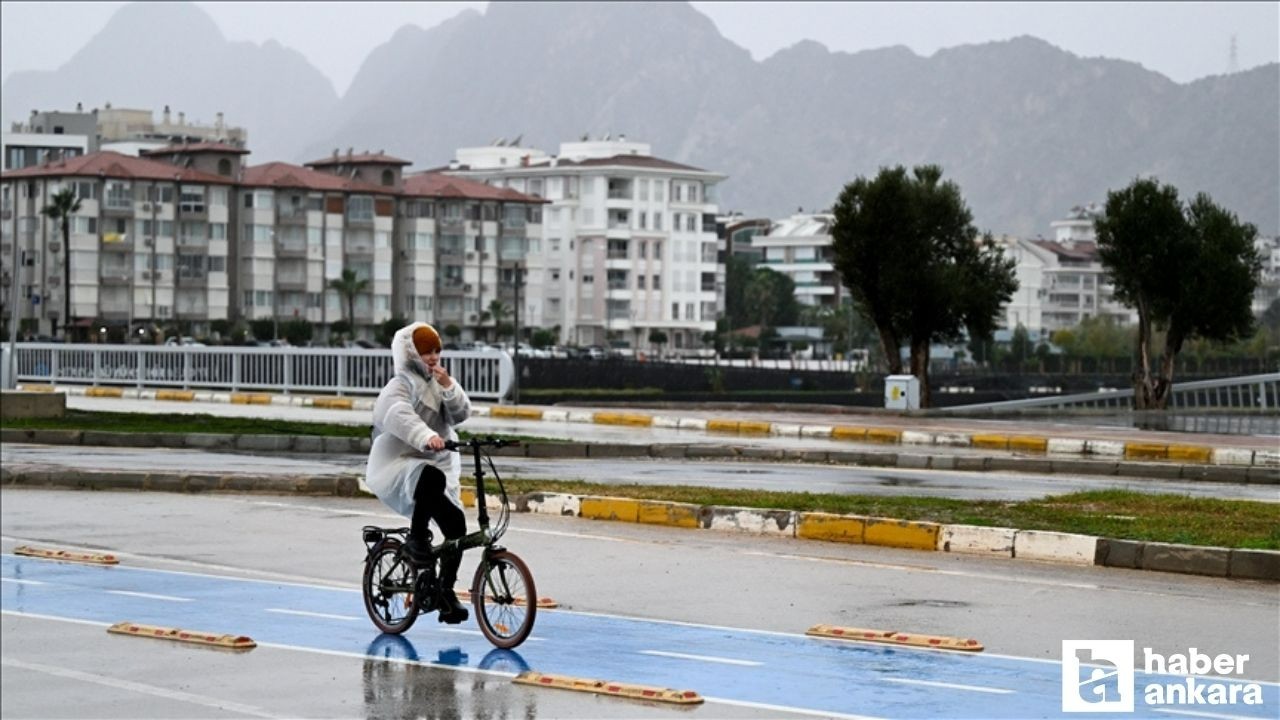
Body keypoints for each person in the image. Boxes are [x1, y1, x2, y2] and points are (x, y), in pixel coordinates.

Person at [365, 322, 472, 624]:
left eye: (437, 350)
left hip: (435, 461)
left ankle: (444, 592)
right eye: (426, 351)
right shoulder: (401, 384)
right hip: (400, 460)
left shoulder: (437, 380)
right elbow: (397, 414)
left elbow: (460, 414)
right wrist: (425, 436)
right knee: (430, 477)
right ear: (411, 352)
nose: (433, 356)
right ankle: (416, 539)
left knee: (457, 528)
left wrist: (449, 386)